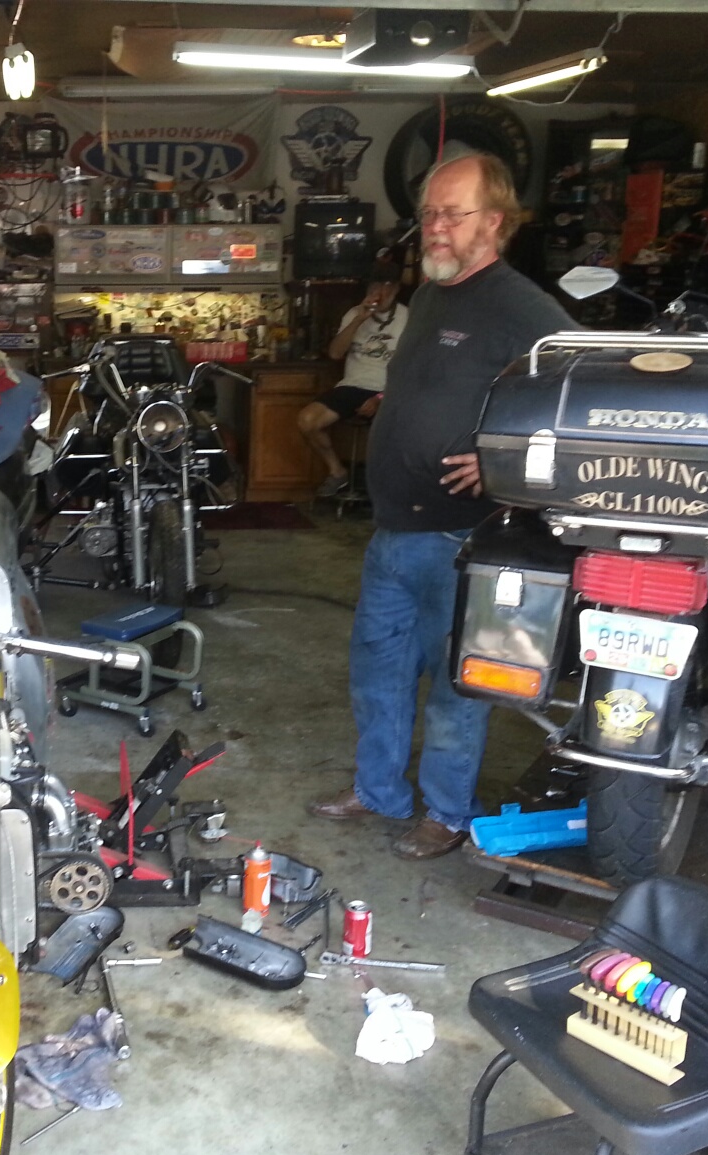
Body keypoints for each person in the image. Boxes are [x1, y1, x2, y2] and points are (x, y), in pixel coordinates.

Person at [309, 152, 577, 859]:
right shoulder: (431, 294)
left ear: (494, 222)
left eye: (452, 214)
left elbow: (579, 391)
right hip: (394, 529)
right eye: (429, 213)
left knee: (457, 686)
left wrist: (502, 462)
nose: (435, 227)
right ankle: (379, 791)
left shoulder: (521, 305)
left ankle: (449, 813)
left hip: (462, 537)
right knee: (379, 674)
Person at [298, 272, 409, 498]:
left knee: (400, 433)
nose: (380, 292)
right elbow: (335, 353)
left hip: (390, 391)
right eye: (375, 284)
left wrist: (380, 398)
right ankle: (337, 472)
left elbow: (412, 370)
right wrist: (359, 319)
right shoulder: (353, 314)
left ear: (396, 289)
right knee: (307, 421)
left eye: (387, 285)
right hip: (352, 385)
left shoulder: (409, 317)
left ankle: (388, 490)